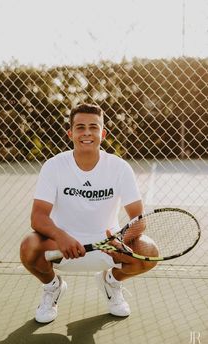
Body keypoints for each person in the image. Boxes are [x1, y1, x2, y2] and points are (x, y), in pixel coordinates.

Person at [20, 103, 158, 323]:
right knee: (29, 247)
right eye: (80, 127)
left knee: (149, 251)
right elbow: (38, 217)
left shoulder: (119, 167)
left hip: (108, 249)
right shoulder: (54, 166)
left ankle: (110, 282)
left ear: (102, 133)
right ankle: (52, 287)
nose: (86, 132)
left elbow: (139, 220)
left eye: (93, 127)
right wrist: (60, 236)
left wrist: (122, 239)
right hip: (62, 248)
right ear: (70, 133)